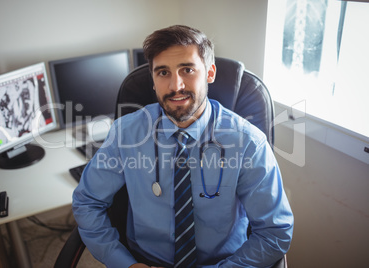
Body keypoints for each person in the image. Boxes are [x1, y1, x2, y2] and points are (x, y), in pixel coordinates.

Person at [72, 25, 294, 268]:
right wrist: (124, 263)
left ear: (210, 73)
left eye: (187, 70)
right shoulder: (126, 134)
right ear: (153, 81)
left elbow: (275, 232)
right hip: (145, 262)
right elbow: (88, 203)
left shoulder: (248, 142)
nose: (175, 86)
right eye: (163, 73)